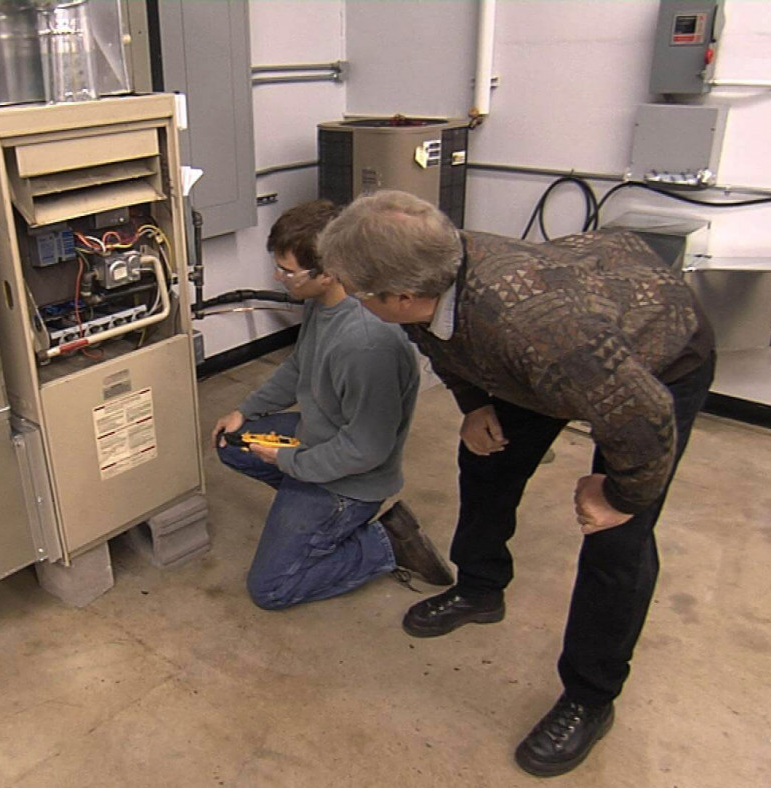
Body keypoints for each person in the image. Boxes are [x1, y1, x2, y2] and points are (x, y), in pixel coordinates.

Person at [318, 190, 716, 777]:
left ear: (400, 296)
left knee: (618, 541)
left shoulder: (542, 334)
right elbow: (440, 338)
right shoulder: (436, 275)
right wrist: (476, 403)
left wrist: (620, 496)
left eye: (357, 291)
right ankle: (481, 588)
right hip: (544, 349)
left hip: (655, 358)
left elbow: (645, 416)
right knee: (485, 458)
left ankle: (589, 698)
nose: (351, 297)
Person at [212, 199, 454, 611]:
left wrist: (291, 464)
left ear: (328, 273)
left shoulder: (365, 342)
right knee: (230, 442)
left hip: (354, 478)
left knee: (270, 588)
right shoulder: (323, 305)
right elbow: (299, 367)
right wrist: (247, 410)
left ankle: (385, 542)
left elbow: (366, 449)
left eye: (288, 271)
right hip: (318, 440)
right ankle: (308, 512)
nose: (277, 276)